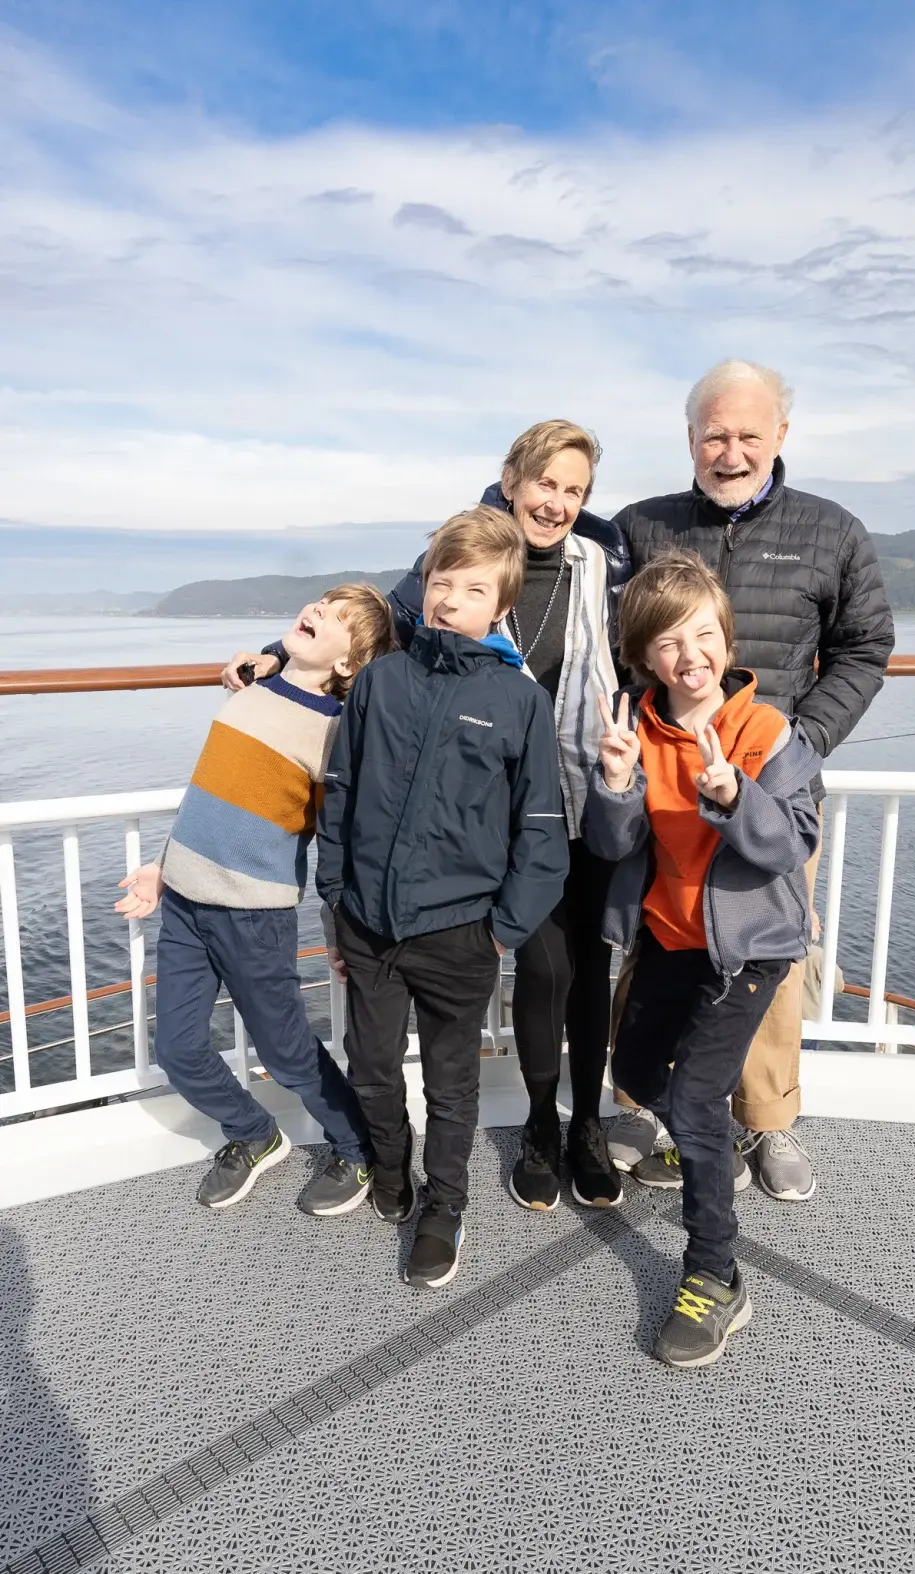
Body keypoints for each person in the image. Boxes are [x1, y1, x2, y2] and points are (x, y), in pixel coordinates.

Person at [223, 421, 633, 1212]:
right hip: (485, 820)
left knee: (582, 972)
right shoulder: (452, 564)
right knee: (537, 977)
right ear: (511, 478)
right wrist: (282, 660)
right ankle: (537, 1129)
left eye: (573, 489)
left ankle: (582, 1127)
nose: (556, 501)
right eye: (544, 481)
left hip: (587, 787)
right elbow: (375, 622)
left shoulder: (605, 563)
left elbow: (650, 639)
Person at [606, 360, 894, 1202]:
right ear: (689, 439)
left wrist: (797, 745)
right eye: (713, 435)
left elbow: (864, 648)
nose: (729, 452)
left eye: (747, 435)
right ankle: (641, 1107)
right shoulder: (642, 526)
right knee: (656, 949)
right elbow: (535, 544)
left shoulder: (831, 530)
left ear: (780, 438)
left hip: (765, 792)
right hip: (661, 788)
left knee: (764, 956)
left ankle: (765, 1121)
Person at [317, 506, 568, 1290]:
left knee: (451, 1085)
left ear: (501, 607)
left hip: (461, 933)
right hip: (369, 925)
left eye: (471, 587)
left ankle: (444, 1205)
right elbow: (340, 791)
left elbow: (542, 832)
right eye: (439, 579)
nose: (449, 597)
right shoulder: (382, 679)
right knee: (370, 1067)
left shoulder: (518, 701)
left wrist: (501, 932)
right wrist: (335, 895)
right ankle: (389, 1169)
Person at [583, 552, 820, 1367]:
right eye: (669, 643)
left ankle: (716, 1276)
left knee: (691, 1103)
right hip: (669, 938)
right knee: (639, 1073)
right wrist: (614, 782)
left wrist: (732, 796)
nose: (690, 656)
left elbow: (790, 842)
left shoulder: (767, 731)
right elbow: (616, 844)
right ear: (645, 657)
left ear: (728, 637)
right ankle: (702, 1138)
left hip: (748, 951)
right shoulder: (637, 729)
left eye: (704, 635)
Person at [114, 585, 397, 1214]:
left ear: (349, 664)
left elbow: (340, 841)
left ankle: (357, 1150)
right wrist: (162, 869)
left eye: (337, 618)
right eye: (320, 602)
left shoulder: (333, 734)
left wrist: (345, 928)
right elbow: (207, 795)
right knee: (178, 1049)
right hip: (185, 905)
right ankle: (252, 1134)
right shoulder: (251, 690)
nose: (318, 611)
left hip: (253, 915)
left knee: (287, 1051)